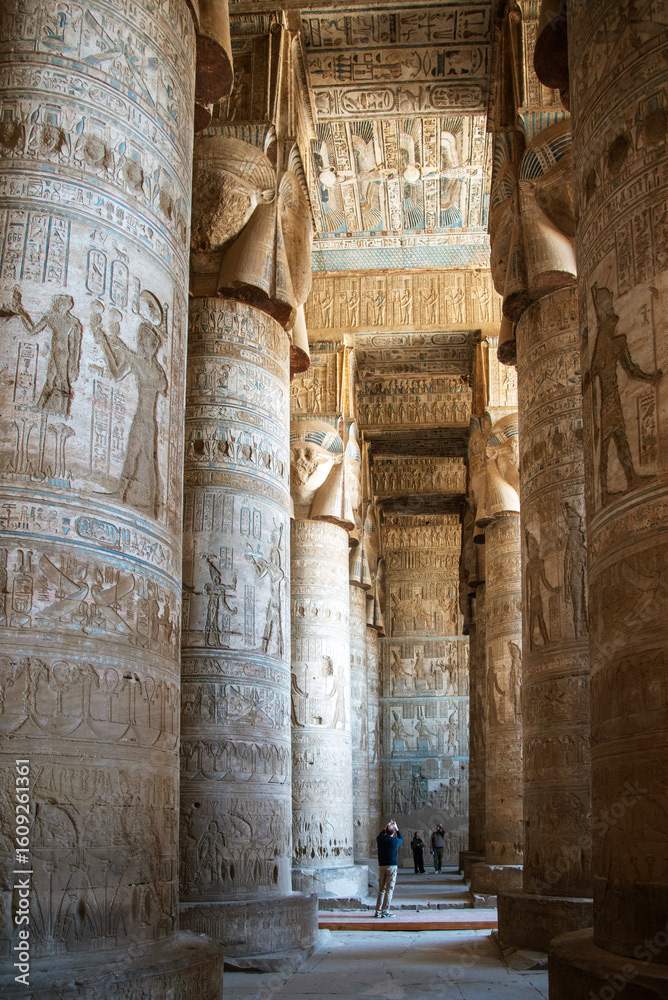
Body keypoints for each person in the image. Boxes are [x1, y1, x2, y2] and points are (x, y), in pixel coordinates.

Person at [375, 821, 403, 918]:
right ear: (394, 832)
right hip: (391, 866)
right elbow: (401, 839)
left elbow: (380, 835)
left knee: (381, 889)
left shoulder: (380, 839)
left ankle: (378, 911)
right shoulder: (394, 841)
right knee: (389, 889)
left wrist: (386, 827)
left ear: (385, 831)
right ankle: (385, 911)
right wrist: (397, 829)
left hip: (382, 866)